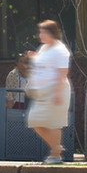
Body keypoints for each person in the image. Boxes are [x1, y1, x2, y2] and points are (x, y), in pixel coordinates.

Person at [26, 20, 71, 163]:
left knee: (53, 123)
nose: (41, 35)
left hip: (55, 90)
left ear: (52, 33)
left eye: (44, 32)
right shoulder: (44, 48)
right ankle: (56, 148)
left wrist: (58, 93)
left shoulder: (60, 50)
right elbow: (44, 65)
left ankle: (55, 154)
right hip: (42, 92)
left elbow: (62, 73)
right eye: (40, 32)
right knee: (34, 121)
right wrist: (34, 58)